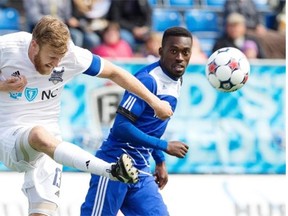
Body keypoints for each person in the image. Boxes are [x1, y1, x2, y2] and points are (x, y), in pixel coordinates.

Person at [0, 15, 173, 216]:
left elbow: (115, 72)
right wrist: (3, 86)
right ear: (34, 45)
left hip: (51, 144)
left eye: (60, 58)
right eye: (52, 57)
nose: (56, 64)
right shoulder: (7, 47)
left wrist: (155, 101)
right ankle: (111, 171)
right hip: (9, 133)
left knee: (42, 212)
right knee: (38, 134)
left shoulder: (72, 55)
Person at [81, 26, 191, 216]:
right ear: (161, 52)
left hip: (140, 169)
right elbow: (121, 127)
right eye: (173, 51)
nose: (180, 57)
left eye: (185, 52)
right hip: (115, 165)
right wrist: (164, 146)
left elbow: (150, 125)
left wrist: (159, 160)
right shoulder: (148, 80)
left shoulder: (176, 80)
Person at [23, 0, 100, 49]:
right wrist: (53, 22)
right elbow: (34, 16)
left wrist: (71, 21)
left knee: (83, 37)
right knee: (75, 36)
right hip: (41, 27)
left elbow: (67, 15)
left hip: (61, 26)